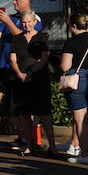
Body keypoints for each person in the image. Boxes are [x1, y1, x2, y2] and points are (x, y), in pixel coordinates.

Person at [0, 0, 42, 149]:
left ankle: (33, 138)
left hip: (23, 67)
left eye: (16, 0)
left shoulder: (34, 19)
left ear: (27, 0)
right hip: (7, 66)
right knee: (16, 105)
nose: (13, 4)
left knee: (27, 105)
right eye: (12, 1)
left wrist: (8, 22)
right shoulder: (11, 18)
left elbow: (25, 38)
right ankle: (22, 137)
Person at [9, 10, 55, 157]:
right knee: (24, 114)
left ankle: (53, 146)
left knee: (44, 114)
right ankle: (29, 145)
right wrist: (19, 74)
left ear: (35, 22)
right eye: (23, 22)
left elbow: (44, 58)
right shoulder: (16, 38)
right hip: (21, 79)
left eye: (29, 22)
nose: (26, 25)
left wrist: (30, 73)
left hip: (39, 79)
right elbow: (13, 59)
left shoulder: (43, 37)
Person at [60, 12, 88, 165]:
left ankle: (84, 155)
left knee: (80, 119)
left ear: (73, 26)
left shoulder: (71, 42)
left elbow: (65, 66)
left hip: (78, 80)